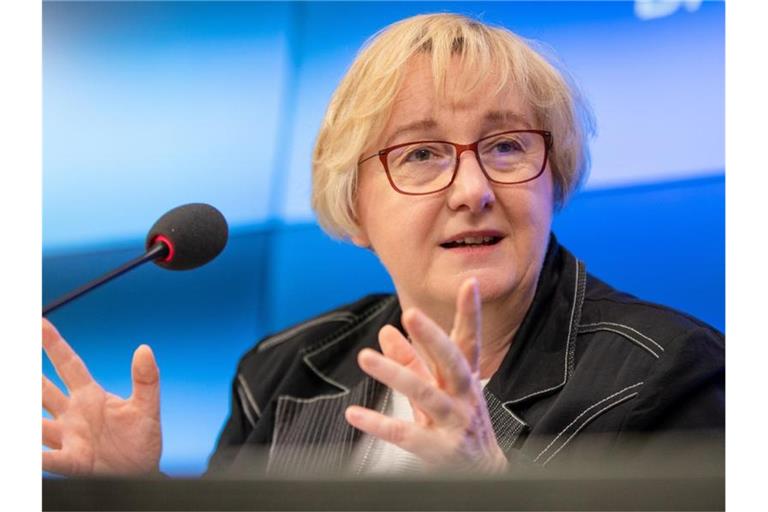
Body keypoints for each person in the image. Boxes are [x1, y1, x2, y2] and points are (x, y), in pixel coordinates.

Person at [42, 13, 724, 477]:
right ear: (355, 206)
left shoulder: (670, 374)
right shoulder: (280, 374)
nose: (471, 189)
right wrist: (135, 495)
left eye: (507, 146)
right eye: (422, 153)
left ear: (555, 176)